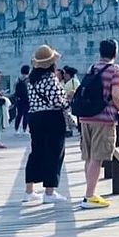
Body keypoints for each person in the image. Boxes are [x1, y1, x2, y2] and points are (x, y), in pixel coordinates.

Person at [78, 39, 119, 209]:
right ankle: (89, 196)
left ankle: (90, 192)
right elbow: (115, 94)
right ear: (115, 52)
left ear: (100, 52)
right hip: (103, 118)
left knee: (89, 156)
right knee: (97, 157)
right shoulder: (116, 70)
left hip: (86, 117)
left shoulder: (92, 68)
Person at [22, 45, 70, 205]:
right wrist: (67, 101)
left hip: (35, 117)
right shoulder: (50, 78)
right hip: (51, 117)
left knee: (36, 151)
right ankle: (49, 192)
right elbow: (56, 101)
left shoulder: (30, 80)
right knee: (55, 153)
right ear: (51, 63)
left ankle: (29, 191)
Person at [61, 65, 81, 137]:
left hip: (71, 102)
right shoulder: (63, 82)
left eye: (65, 74)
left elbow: (78, 92)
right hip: (65, 102)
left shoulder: (74, 82)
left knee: (70, 117)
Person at [14, 65, 31, 135]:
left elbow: (15, 87)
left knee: (19, 114)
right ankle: (24, 129)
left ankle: (16, 130)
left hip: (19, 99)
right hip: (26, 98)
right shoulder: (28, 79)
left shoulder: (18, 78)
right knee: (26, 114)